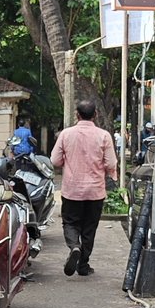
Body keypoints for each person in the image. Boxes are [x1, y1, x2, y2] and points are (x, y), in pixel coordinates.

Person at [50, 102, 117, 278]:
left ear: (77, 115)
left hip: (72, 189)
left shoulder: (66, 134)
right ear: (95, 114)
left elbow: (55, 161)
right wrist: (108, 172)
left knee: (70, 222)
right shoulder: (104, 136)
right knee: (89, 227)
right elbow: (111, 163)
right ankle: (83, 265)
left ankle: (74, 247)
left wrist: (68, 159)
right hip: (95, 191)